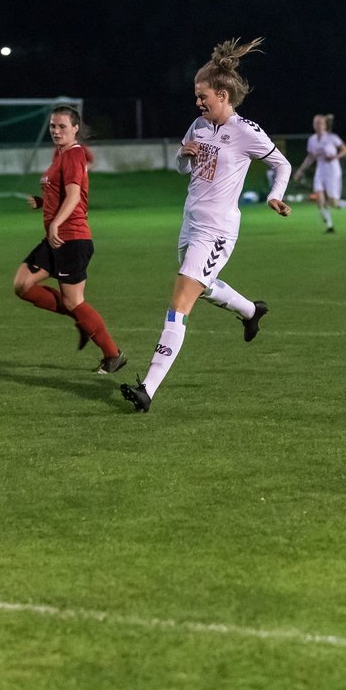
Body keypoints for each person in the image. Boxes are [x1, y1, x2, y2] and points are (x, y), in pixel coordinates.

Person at [120, 38, 292, 413]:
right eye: (196, 96)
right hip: (190, 224)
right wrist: (183, 156)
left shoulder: (246, 130)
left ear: (224, 95)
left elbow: (283, 164)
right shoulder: (198, 126)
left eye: (203, 96)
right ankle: (250, 311)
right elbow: (185, 169)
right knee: (204, 287)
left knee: (179, 303)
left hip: (217, 231)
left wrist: (273, 195)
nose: (198, 102)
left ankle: (148, 387)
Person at [12, 105, 127, 374]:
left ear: (75, 128)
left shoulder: (74, 155)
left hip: (72, 239)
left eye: (62, 126)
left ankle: (113, 355)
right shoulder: (59, 154)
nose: (56, 131)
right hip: (56, 238)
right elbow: (63, 194)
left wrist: (55, 223)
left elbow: (75, 197)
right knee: (22, 284)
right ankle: (83, 320)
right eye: (53, 126)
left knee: (73, 301)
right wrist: (43, 202)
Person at [295, 113, 346, 233]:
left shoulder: (332, 137)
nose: (318, 125)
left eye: (320, 123)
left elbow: (345, 149)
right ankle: (330, 226)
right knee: (320, 200)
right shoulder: (312, 140)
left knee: (333, 203)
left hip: (332, 171)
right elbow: (310, 158)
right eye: (316, 123)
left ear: (325, 125)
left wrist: (335, 157)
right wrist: (300, 171)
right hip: (320, 171)